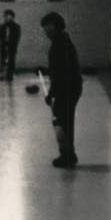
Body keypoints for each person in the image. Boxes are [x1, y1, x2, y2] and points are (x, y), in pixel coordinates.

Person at [41, 12, 83, 168]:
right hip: (69, 86)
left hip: (68, 88)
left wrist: (52, 93)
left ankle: (68, 155)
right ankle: (68, 154)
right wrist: (46, 70)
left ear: (57, 26)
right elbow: (57, 68)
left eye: (49, 27)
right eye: (44, 28)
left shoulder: (61, 43)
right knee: (64, 121)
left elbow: (62, 73)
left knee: (62, 122)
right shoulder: (61, 40)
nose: (46, 31)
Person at [0, 9, 21, 81]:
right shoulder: (2, 25)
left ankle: (9, 74)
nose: (7, 18)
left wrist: (12, 42)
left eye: (8, 16)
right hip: (3, 45)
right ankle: (2, 74)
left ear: (12, 17)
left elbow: (17, 36)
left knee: (11, 60)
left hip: (12, 46)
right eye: (5, 16)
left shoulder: (16, 26)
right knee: (3, 60)